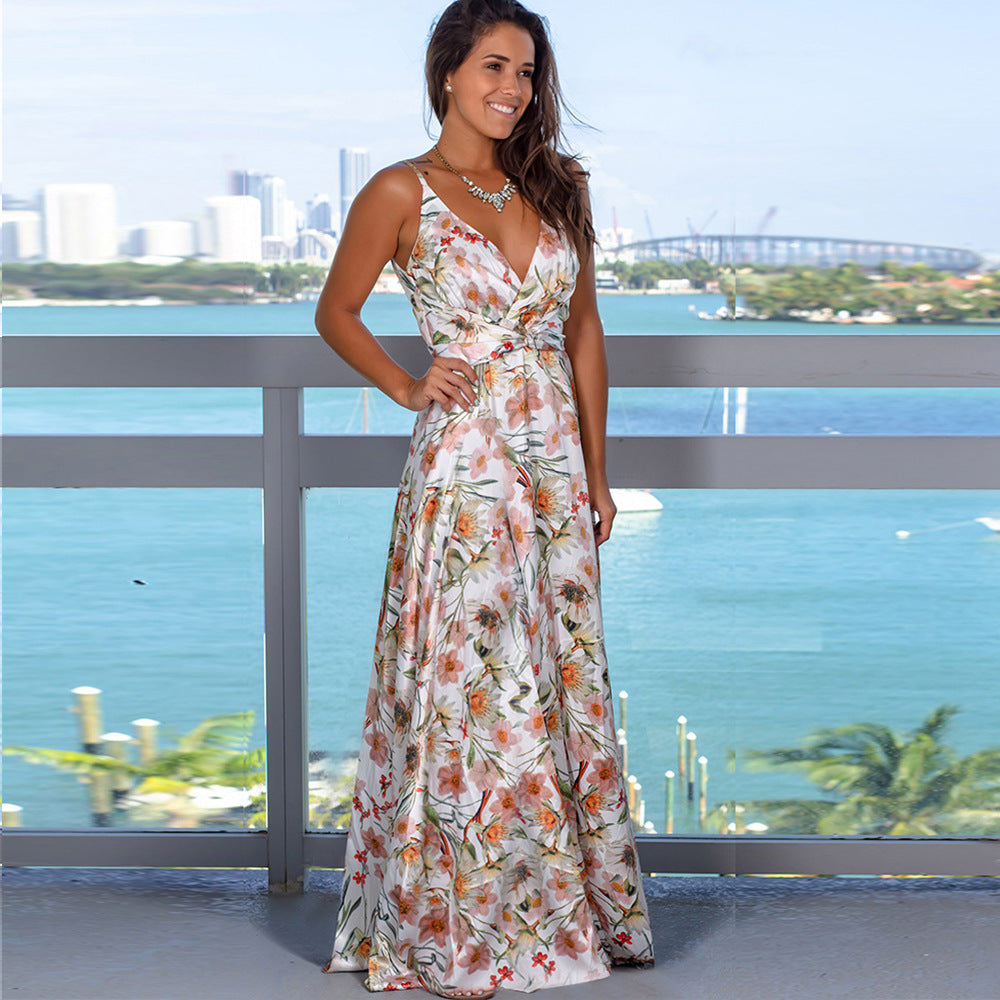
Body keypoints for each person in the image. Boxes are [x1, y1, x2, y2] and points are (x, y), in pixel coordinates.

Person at [314, 0, 654, 994]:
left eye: (528, 72)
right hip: (464, 468)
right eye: (495, 67)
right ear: (449, 73)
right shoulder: (398, 190)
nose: (514, 88)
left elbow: (583, 335)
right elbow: (335, 310)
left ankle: (566, 914)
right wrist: (408, 380)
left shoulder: (558, 187)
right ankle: (456, 922)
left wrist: (595, 473)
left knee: (555, 684)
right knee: (473, 690)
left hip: (551, 469)